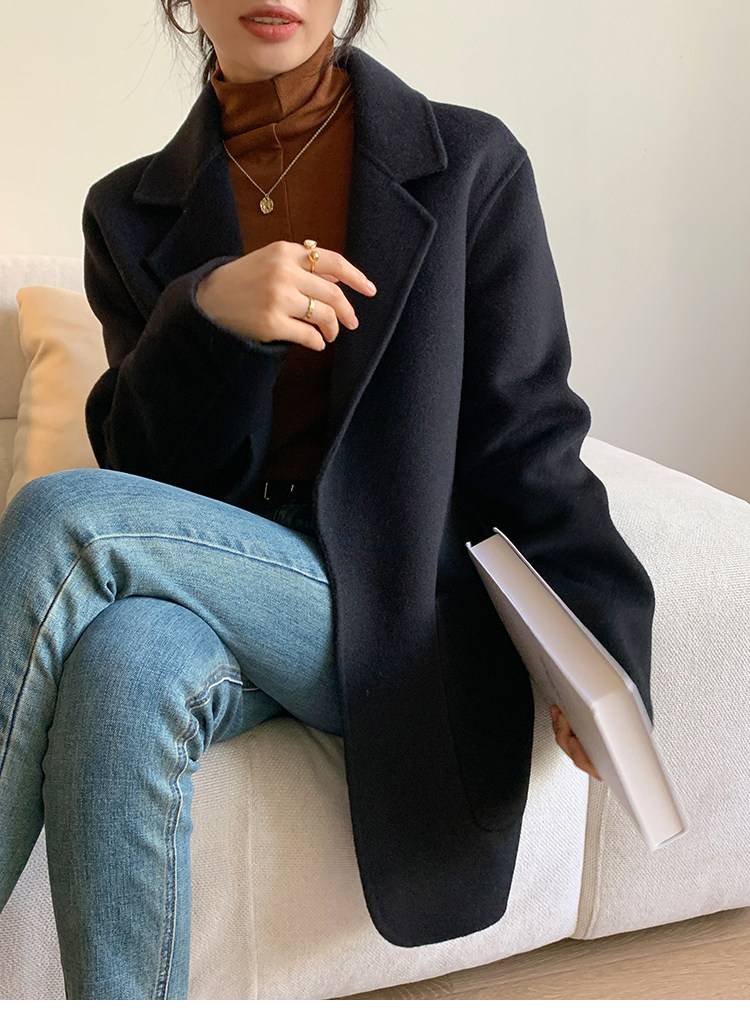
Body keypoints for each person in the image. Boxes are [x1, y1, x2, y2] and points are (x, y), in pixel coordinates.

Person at [0, 0, 656, 1000]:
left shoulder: (469, 165)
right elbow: (148, 477)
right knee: (121, 664)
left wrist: (605, 651)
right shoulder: (126, 211)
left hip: (399, 601)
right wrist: (206, 317)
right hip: (224, 577)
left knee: (60, 519)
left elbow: (531, 439)